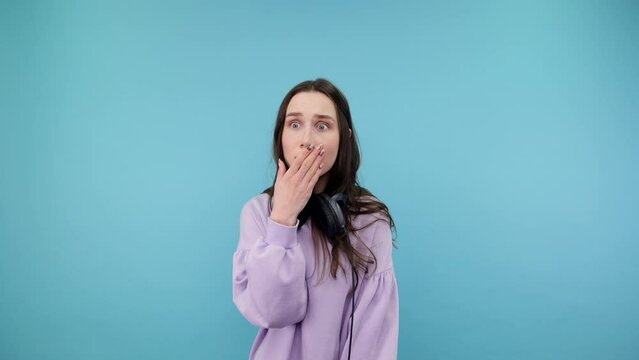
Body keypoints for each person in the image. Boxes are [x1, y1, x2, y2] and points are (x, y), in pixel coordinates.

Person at [232, 78, 399, 360]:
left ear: (343, 137)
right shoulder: (258, 213)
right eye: (294, 124)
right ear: (281, 136)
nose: (307, 140)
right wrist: (282, 220)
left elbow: (373, 337)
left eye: (322, 126)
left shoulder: (370, 219)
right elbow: (274, 313)